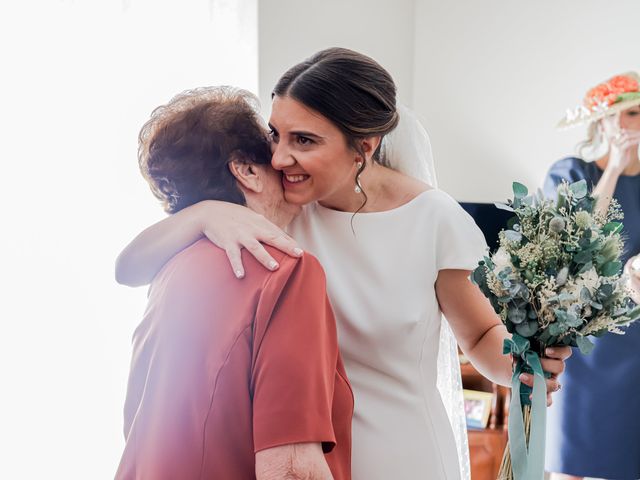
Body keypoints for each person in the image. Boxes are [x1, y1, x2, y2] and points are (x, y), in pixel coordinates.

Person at [116, 48, 571, 480]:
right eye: (276, 134)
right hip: (304, 448)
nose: (278, 157)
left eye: (304, 140)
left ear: (364, 147)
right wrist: (203, 213)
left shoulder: (433, 219)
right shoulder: (276, 210)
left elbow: (478, 335)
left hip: (399, 452)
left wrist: (522, 366)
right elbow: (130, 269)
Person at [115, 86, 353, 480]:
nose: (283, 162)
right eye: (271, 149)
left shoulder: (168, 268)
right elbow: (291, 468)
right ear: (245, 170)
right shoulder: (286, 270)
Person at [544, 71, 640, 480]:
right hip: (585, 340)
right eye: (625, 113)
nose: (632, 123)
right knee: (573, 462)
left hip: (636, 340)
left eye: (637, 113)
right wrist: (614, 169)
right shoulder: (571, 173)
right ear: (603, 120)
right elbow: (579, 245)